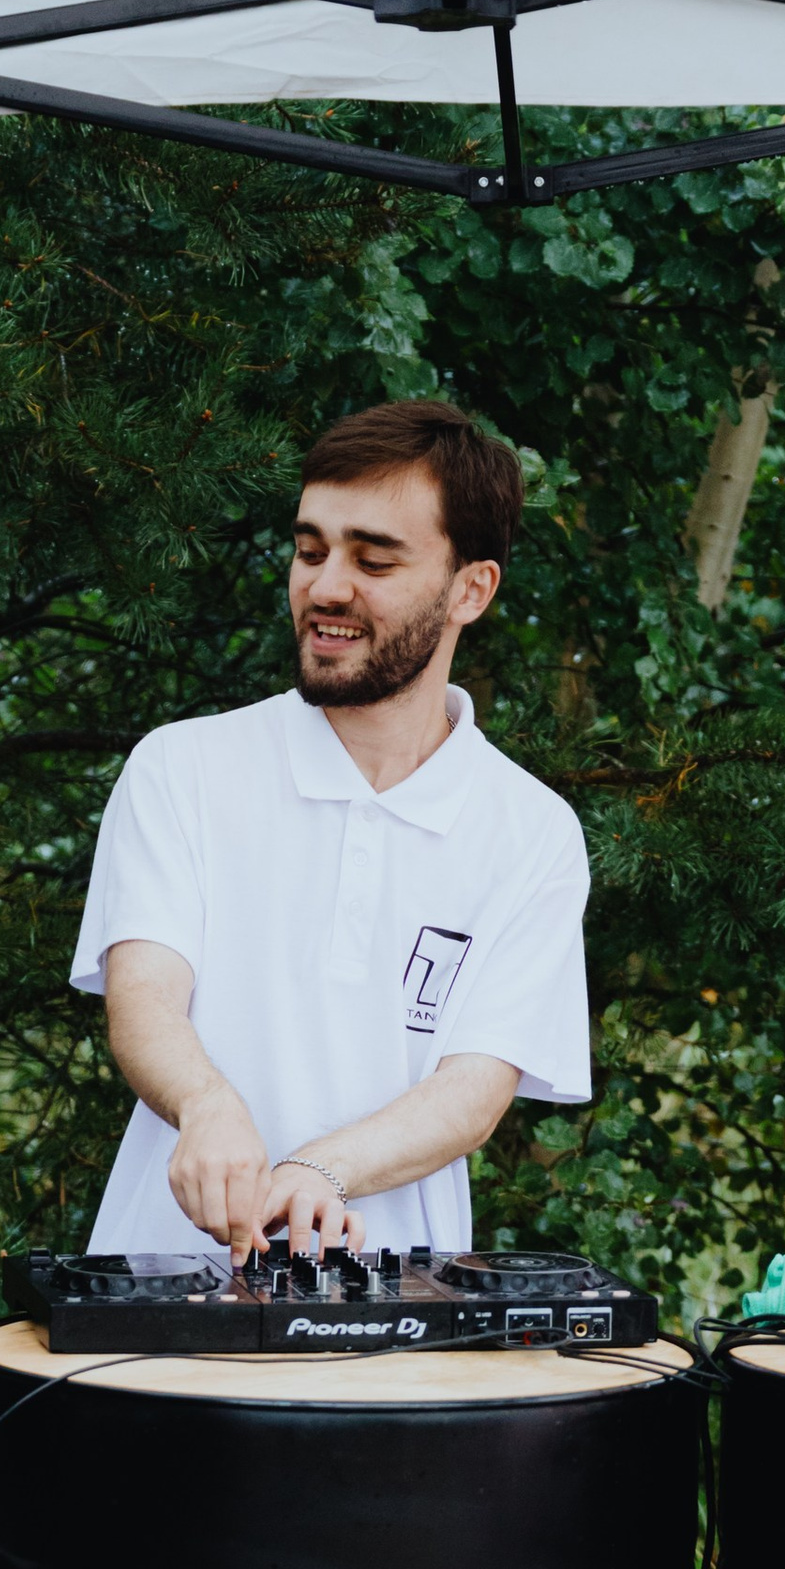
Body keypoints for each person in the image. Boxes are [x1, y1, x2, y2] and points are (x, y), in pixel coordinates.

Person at [71, 398, 591, 1259]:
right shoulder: (183, 767)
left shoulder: (531, 831)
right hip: (154, 1306)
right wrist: (207, 1104)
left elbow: (474, 1089)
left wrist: (321, 1169)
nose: (325, 587)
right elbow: (144, 997)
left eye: (373, 560)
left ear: (473, 588)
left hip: (399, 1331)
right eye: (310, 550)